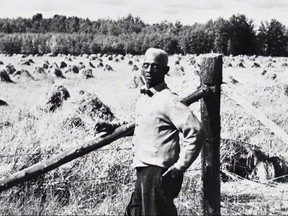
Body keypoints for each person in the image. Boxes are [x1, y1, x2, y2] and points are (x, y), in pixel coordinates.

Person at [125, 48, 206, 216]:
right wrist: (114, 127)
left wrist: (178, 168)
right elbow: (143, 123)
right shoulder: (145, 98)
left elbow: (196, 131)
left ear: (165, 71)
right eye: (145, 65)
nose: (148, 70)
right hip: (143, 171)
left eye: (155, 66)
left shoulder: (169, 100)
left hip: (158, 172)